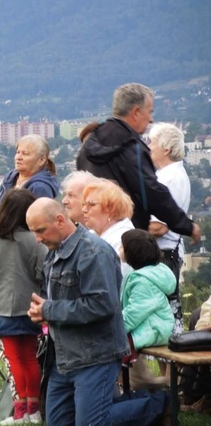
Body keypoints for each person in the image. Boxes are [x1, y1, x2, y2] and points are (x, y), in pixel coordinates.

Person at [26, 198, 168, 426]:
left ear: (60, 220)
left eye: (40, 230)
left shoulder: (93, 252)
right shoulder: (54, 251)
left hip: (96, 355)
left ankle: (160, 403)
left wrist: (50, 309)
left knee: (93, 423)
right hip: (64, 357)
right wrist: (41, 309)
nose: (37, 238)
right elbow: (56, 298)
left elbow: (101, 305)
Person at [77, 82, 200, 243]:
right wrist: (187, 226)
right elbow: (152, 193)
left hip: (92, 238)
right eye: (149, 112)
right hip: (128, 239)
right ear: (135, 112)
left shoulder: (87, 147)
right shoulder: (132, 149)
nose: (151, 119)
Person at [0, 189, 47, 424]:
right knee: (30, 358)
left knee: (14, 360)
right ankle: (34, 411)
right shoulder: (35, 240)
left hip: (1, 307)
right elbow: (42, 272)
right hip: (30, 306)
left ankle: (19, 412)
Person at [148, 122, 190, 334]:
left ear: (166, 148)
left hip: (164, 254)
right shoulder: (172, 174)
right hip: (168, 252)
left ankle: (171, 366)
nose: (149, 147)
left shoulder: (169, 178)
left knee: (165, 315)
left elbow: (159, 227)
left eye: (152, 142)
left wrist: (129, 230)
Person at [0, 134, 58, 231]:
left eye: (25, 154)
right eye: (18, 152)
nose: (18, 157)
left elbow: (38, 228)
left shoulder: (40, 188)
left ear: (41, 160)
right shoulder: (10, 178)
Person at [120, 229, 175, 352]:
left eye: (123, 247)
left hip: (154, 330)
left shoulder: (144, 282)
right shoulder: (139, 275)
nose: (120, 249)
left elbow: (134, 313)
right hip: (147, 327)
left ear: (133, 253)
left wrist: (114, 328)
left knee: (112, 348)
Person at [81, 180, 135, 276]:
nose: (84, 210)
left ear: (111, 209)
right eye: (84, 204)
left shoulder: (122, 240)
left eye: (92, 204)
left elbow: (119, 281)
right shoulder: (93, 235)